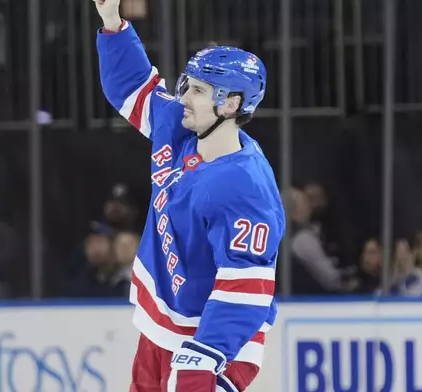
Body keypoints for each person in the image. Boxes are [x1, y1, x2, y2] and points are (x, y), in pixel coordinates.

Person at [94, 1, 286, 391]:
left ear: (230, 104)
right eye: (186, 84)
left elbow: (246, 286)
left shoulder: (246, 187)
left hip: (213, 345)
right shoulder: (181, 129)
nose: (184, 97)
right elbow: (133, 88)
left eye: (198, 90)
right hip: (164, 327)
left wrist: (205, 356)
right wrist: (113, 23)